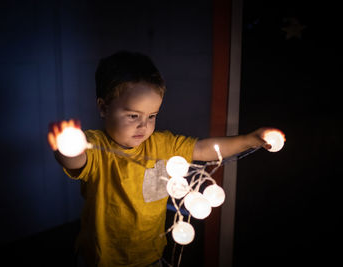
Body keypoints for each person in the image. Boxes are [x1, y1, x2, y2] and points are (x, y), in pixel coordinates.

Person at [47, 51, 275, 267]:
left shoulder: (164, 145)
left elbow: (205, 148)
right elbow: (75, 161)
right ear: (104, 108)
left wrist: (250, 139)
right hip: (101, 259)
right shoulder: (95, 146)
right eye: (133, 115)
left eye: (152, 116)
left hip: (150, 256)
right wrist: (67, 148)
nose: (143, 125)